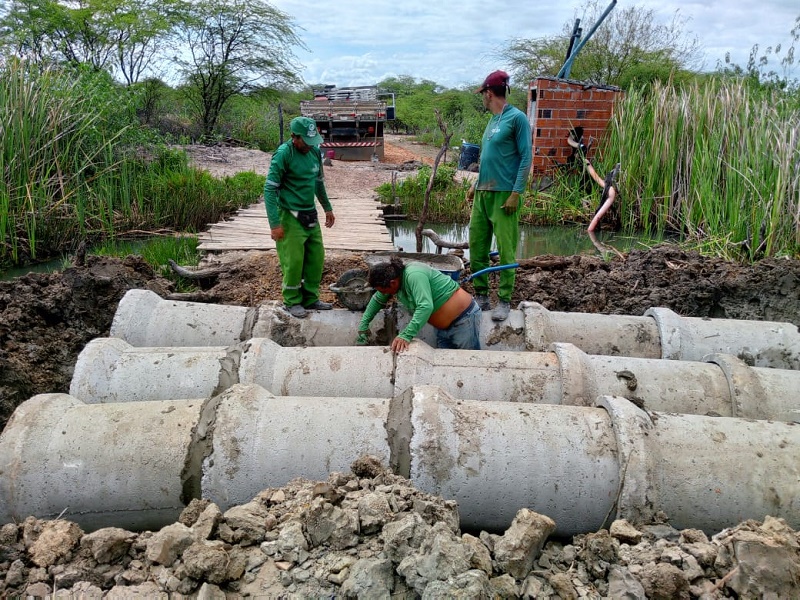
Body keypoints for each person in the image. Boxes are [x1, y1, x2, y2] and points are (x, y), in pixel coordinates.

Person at [467, 70, 532, 322]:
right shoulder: (492, 120)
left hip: (505, 194)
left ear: (489, 93)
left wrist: (517, 193)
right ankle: (481, 295)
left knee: (506, 248)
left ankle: (504, 300)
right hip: (483, 193)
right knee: (477, 244)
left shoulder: (517, 119)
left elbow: (526, 157)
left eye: (483, 94)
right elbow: (486, 158)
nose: (482, 98)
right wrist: (474, 184)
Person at [264, 116, 336, 318]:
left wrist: (327, 208)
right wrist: (275, 224)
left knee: (316, 257)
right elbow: (269, 190)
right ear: (294, 137)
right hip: (290, 214)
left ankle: (311, 298)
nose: (309, 145)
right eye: (306, 141)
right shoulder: (283, 154)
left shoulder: (314, 152)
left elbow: (318, 183)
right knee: (294, 261)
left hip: (309, 212)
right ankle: (292, 301)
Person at [356, 257, 481, 352]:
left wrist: (406, 335)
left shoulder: (414, 275)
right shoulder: (395, 281)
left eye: (383, 291)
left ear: (393, 283)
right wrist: (363, 325)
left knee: (469, 364)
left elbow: (425, 306)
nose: (383, 294)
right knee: (446, 367)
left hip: (464, 320)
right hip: (442, 329)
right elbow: (377, 300)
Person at [585, 160, 620, 233]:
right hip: (609, 192)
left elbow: (594, 175)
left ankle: (591, 230)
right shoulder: (609, 187)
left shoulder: (609, 188)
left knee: (592, 226)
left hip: (610, 192)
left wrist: (587, 164)